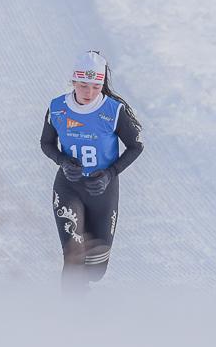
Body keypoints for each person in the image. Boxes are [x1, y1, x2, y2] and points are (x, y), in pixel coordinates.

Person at [40, 50, 144, 291]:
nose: (88, 93)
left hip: (102, 193)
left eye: (95, 87)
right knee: (73, 256)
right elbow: (46, 143)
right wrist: (63, 161)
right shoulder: (57, 108)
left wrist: (110, 173)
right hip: (69, 188)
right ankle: (71, 313)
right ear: (73, 81)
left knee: (95, 270)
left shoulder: (114, 111)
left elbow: (136, 146)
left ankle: (82, 291)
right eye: (83, 85)